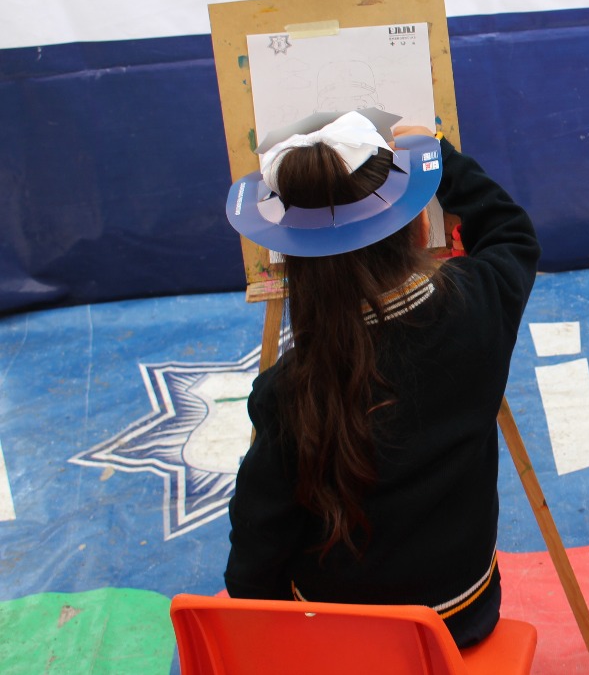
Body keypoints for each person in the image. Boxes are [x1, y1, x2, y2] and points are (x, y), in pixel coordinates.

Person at [221, 109, 540, 647]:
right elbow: (511, 232)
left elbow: (255, 554)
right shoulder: (478, 305)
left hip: (344, 642)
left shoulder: (290, 391)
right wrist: (438, 155)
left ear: (294, 262)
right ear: (420, 227)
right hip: (464, 615)